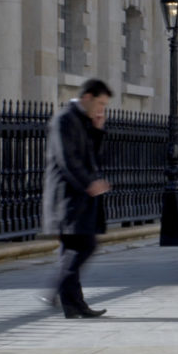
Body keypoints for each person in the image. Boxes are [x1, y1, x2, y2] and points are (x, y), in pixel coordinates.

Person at [43, 78, 113, 317]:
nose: (101, 109)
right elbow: (67, 159)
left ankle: (74, 306)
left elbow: (92, 157)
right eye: (100, 103)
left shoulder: (83, 121)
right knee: (84, 245)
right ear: (87, 98)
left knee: (73, 249)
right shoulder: (64, 119)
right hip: (66, 198)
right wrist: (89, 183)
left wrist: (97, 130)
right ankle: (55, 291)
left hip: (78, 197)